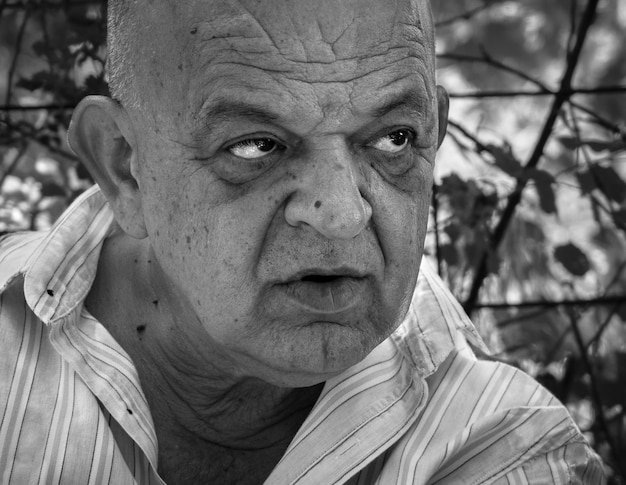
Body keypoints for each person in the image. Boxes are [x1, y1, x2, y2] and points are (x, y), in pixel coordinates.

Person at [0, 0, 605, 483]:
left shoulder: (502, 450)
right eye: (256, 145)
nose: (341, 214)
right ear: (124, 165)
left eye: (394, 139)